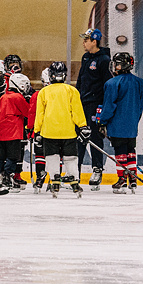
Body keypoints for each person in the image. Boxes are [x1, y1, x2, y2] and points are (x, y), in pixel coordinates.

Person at [32, 61, 91, 197]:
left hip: (49, 132)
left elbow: (40, 114)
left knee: (52, 157)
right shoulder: (72, 90)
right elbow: (77, 111)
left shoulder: (43, 92)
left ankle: (55, 179)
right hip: (68, 132)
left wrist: (37, 131)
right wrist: (82, 126)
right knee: (71, 158)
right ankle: (74, 179)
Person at [98, 52, 143, 194]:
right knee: (130, 151)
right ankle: (133, 179)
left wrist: (102, 122)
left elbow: (109, 106)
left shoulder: (112, 83)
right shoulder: (139, 82)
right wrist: (134, 120)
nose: (114, 66)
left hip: (117, 124)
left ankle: (122, 179)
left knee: (120, 151)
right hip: (132, 124)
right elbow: (140, 106)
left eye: (116, 64)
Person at [76, 28, 112, 190]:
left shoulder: (104, 60)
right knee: (79, 137)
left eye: (86, 40)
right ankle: (74, 171)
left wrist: (103, 107)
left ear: (94, 41)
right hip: (82, 104)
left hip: (95, 104)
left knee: (95, 137)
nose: (83, 43)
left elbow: (107, 85)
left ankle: (97, 169)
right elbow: (80, 80)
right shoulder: (85, 58)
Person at [0, 72, 31, 191]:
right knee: (12, 157)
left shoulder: (4, 96)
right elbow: (27, 112)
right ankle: (7, 177)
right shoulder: (17, 97)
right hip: (13, 132)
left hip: (0, 131)